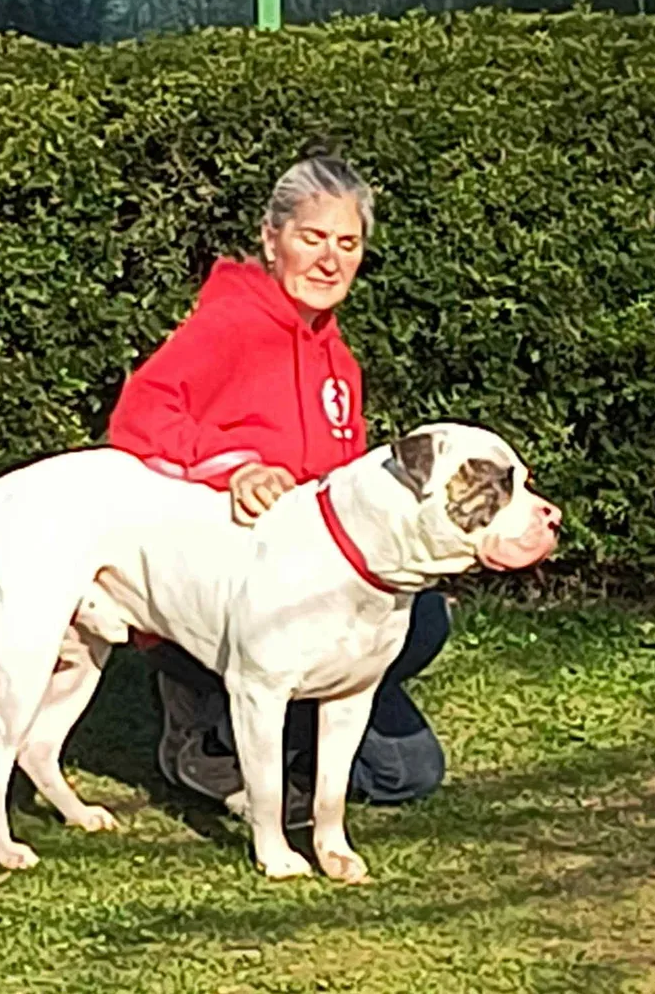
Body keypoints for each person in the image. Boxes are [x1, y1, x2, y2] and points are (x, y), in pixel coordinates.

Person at [107, 150, 451, 825]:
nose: (329, 260)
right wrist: (233, 468)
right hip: (223, 587)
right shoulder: (226, 324)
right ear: (272, 239)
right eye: (311, 238)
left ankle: (272, 734)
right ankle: (207, 730)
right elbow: (137, 418)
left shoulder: (340, 361)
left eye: (347, 243)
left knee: (411, 754)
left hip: (314, 598)